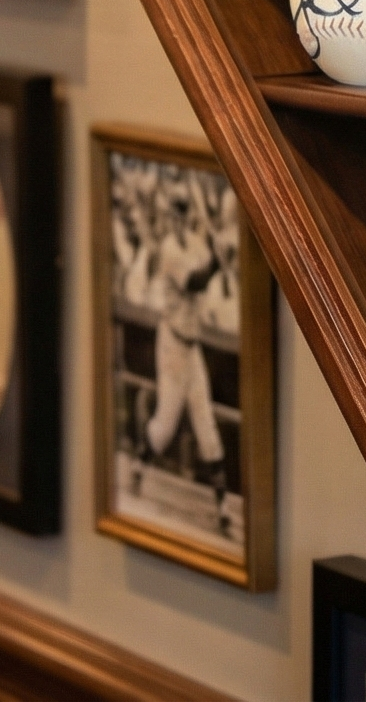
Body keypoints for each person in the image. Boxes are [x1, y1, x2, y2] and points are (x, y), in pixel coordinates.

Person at [143, 193, 233, 535]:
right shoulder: (169, 249)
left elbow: (214, 265)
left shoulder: (195, 242)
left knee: (206, 425)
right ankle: (139, 465)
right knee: (165, 426)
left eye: (181, 214)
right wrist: (214, 262)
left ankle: (222, 507)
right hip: (171, 343)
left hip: (191, 347)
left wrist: (220, 250)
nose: (176, 221)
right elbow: (196, 281)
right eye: (173, 215)